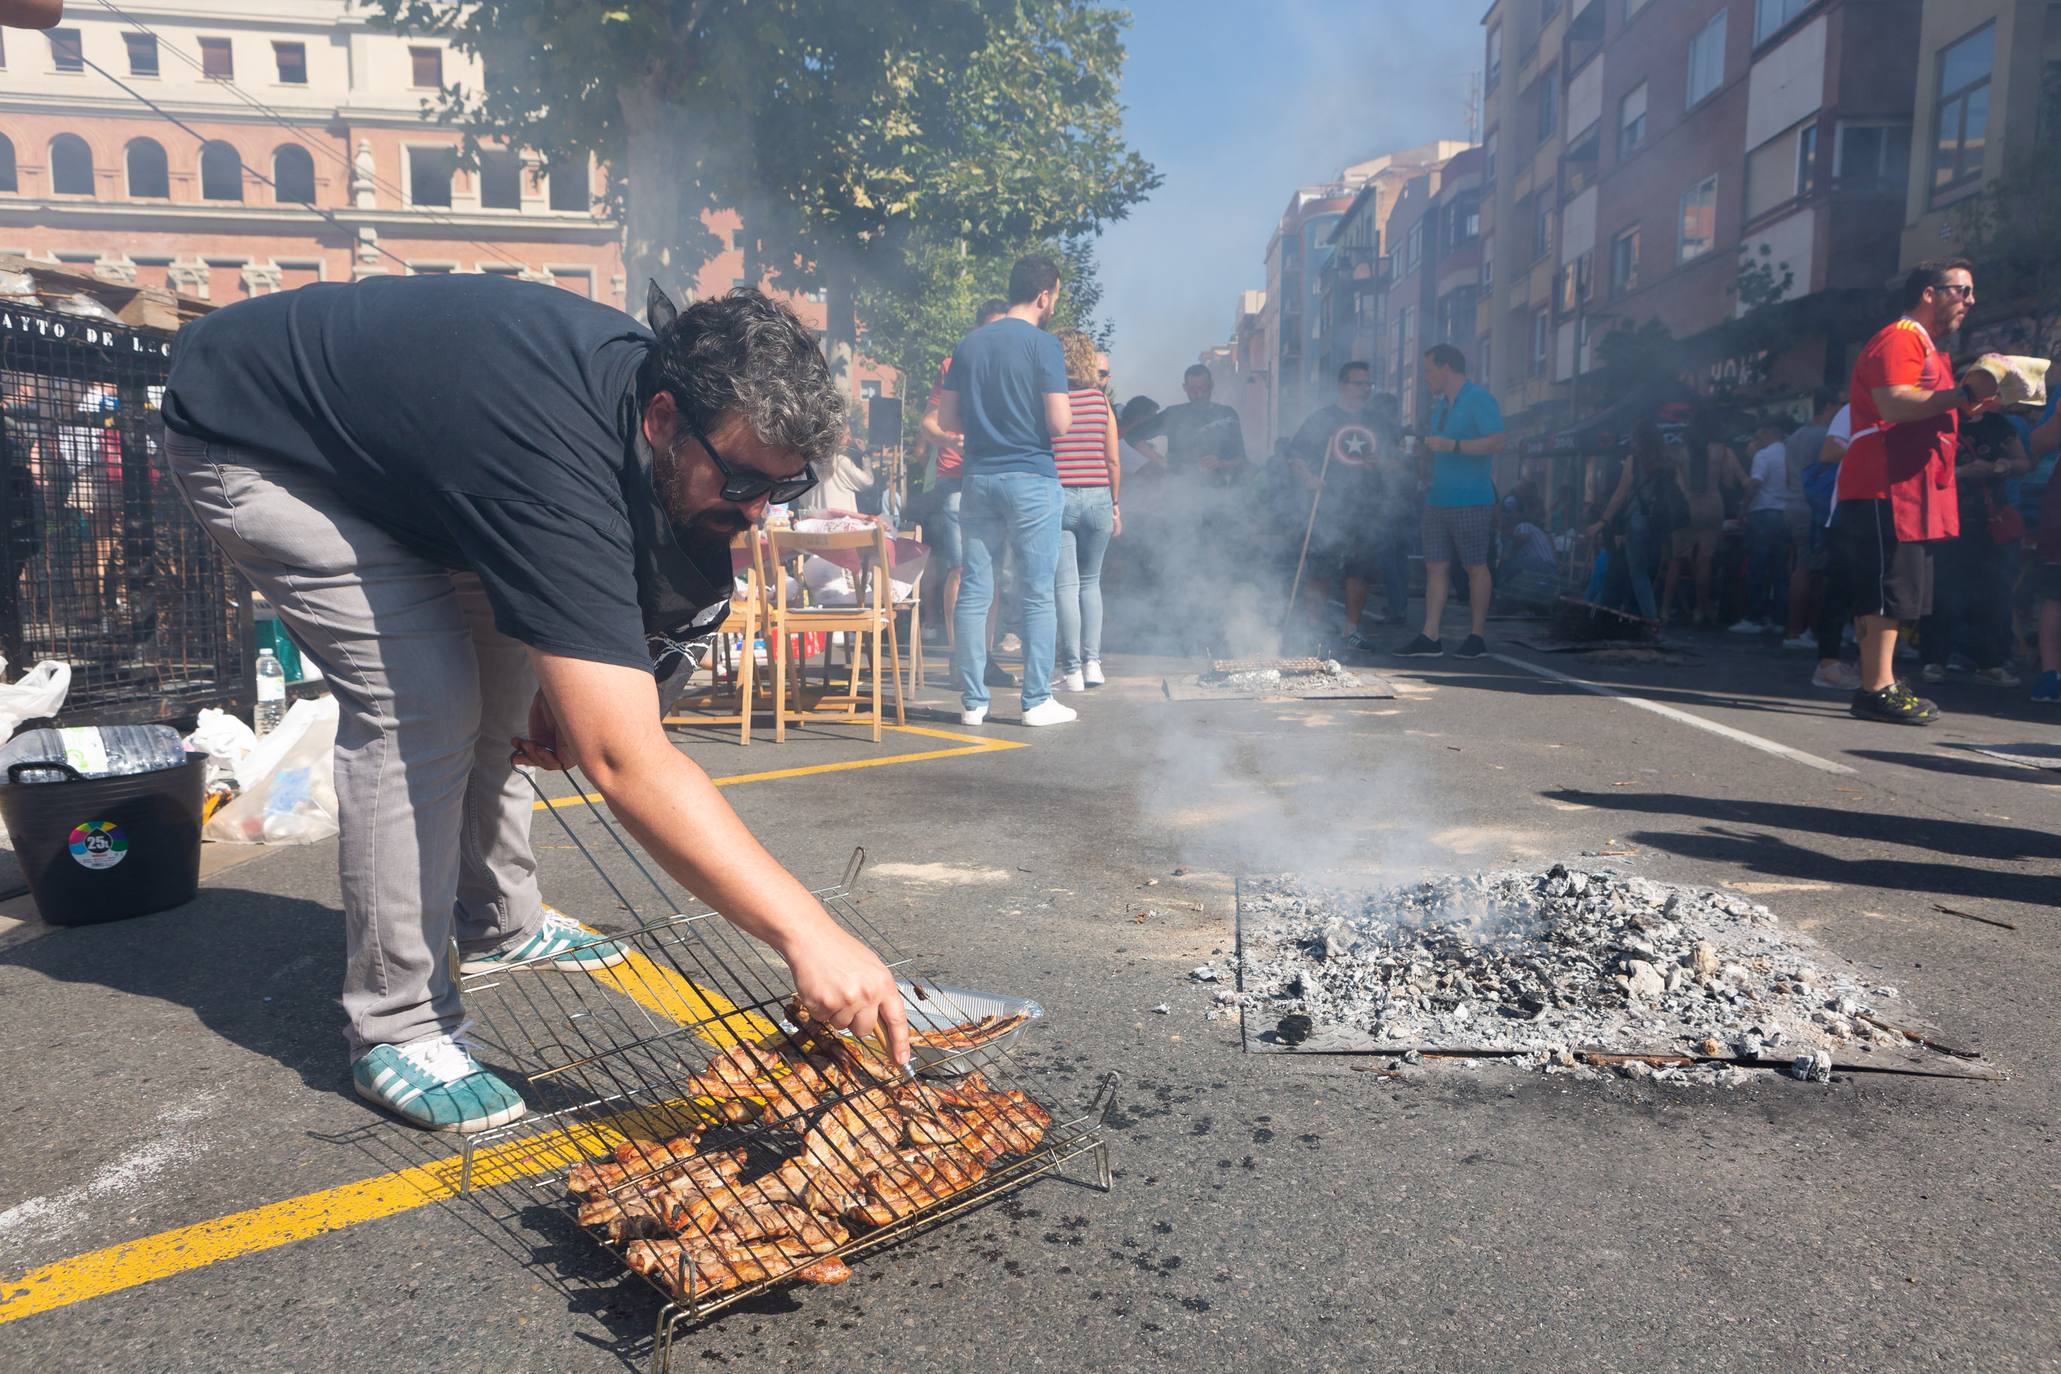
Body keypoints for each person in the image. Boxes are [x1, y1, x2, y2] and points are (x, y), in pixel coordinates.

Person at [159, 276, 911, 1133]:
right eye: (739, 478)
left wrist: (582, 685)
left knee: (512, 684)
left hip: (428, 464)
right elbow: (623, 760)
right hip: (267, 442)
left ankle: (500, 921)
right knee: (425, 702)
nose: (754, 509)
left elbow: (618, 587)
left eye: (783, 486)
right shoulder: (546, 457)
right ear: (662, 418)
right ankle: (399, 1025)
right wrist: (807, 935)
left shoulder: (638, 418)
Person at [1831, 257, 1993, 725]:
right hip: (1886, 481)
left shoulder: (1921, 343)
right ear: (1929, 293)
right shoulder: (1901, 336)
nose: (1970, 301)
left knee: (1897, 587)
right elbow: (1895, 402)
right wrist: (1964, 395)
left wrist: (1975, 397)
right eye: (1961, 291)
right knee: (1885, 587)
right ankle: (1876, 687)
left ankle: (1879, 681)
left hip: (1905, 483)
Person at [941, 253, 1076, 727]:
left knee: (977, 590)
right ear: (1044, 295)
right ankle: (1036, 701)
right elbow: (1060, 422)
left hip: (978, 477)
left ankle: (974, 703)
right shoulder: (1045, 346)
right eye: (1055, 296)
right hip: (1032, 477)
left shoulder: (969, 345)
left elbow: (947, 420)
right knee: (1038, 592)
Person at [1285, 362, 1405, 651]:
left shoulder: (1379, 423)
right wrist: (1308, 478)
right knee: (1320, 569)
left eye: (1368, 384)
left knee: (1359, 571)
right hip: (1326, 505)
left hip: (1366, 505)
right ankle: (1313, 628)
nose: (1364, 389)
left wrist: (1384, 464)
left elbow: (1400, 461)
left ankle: (1351, 628)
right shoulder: (1322, 419)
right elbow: (1294, 456)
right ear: (1342, 385)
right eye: (1358, 384)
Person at [1398, 343, 1505, 659]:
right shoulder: (1439, 407)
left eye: (1429, 369)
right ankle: (1430, 635)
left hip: (1471, 497)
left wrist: (1453, 445)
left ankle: (1477, 636)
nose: (1426, 377)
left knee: (1475, 566)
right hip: (1437, 498)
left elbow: (1498, 441)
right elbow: (1439, 448)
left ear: (1447, 368)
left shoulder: (1479, 399)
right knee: (1435, 565)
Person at [918, 298, 1009, 651]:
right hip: (957, 479)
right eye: (990, 328)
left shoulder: (1015, 367)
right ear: (976, 330)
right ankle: (960, 657)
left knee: (994, 575)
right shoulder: (953, 365)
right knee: (960, 568)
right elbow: (928, 422)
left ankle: (985, 656)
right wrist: (951, 440)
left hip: (999, 479)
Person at [1918, 400, 2028, 687]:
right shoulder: (1940, 420)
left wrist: (2002, 466)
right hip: (1948, 519)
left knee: (1995, 593)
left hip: (1991, 521)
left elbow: (2024, 462)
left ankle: (1991, 662)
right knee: (1944, 591)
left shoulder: (2000, 424)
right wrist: (1961, 473)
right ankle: (1934, 660)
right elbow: (1922, 469)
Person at [1050, 330, 1120, 691]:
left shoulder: (1051, 401)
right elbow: (1112, 460)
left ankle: (1071, 670)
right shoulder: (1100, 401)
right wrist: (1116, 505)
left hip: (1061, 498)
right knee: (1092, 584)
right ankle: (1094, 664)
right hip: (1099, 500)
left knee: (1066, 585)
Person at [1586, 420, 1682, 622]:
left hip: (1638, 521)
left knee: (1639, 576)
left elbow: (1620, 495)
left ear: (1639, 439)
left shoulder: (1634, 460)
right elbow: (1679, 490)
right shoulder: (1668, 459)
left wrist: (1602, 522)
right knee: (1648, 572)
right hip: (1661, 524)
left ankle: (1651, 621)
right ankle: (1639, 617)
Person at [1662, 425, 1744, 626]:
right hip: (1713, 506)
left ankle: (1664, 609)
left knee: (1677, 559)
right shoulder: (1721, 451)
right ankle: (1701, 609)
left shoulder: (1679, 452)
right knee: (1705, 560)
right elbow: (1729, 481)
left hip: (1687, 506)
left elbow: (1676, 482)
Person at [1804, 404, 1860, 690]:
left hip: (1883, 512)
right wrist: (1872, 447)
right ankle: (1828, 663)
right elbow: (1828, 452)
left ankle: (1871, 669)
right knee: (1840, 589)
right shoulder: (1852, 411)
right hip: (1847, 513)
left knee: (1875, 594)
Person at [1779, 389, 1839, 648]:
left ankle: (1797, 630)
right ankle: (1799, 632)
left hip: (1792, 504)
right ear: (1828, 406)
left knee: (1801, 566)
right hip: (1813, 507)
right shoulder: (1826, 437)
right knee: (1808, 570)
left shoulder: (1795, 436)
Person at [1730, 422, 1792, 634]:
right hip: (1785, 514)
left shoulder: (1763, 455)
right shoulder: (1789, 453)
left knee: (1758, 567)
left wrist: (1743, 508)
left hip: (1764, 513)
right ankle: (1779, 619)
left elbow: (1755, 483)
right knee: (1780, 570)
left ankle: (1754, 617)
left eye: (1758, 436)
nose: (1755, 441)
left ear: (1767, 434)